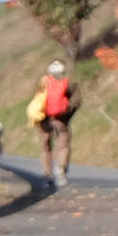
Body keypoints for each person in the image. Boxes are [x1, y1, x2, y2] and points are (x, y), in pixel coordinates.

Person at [37, 59, 76, 187]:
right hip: (61, 119)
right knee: (63, 145)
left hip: (44, 119)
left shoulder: (43, 82)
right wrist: (67, 114)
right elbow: (77, 100)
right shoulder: (68, 82)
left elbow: (36, 101)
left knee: (45, 147)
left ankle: (47, 175)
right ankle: (60, 171)